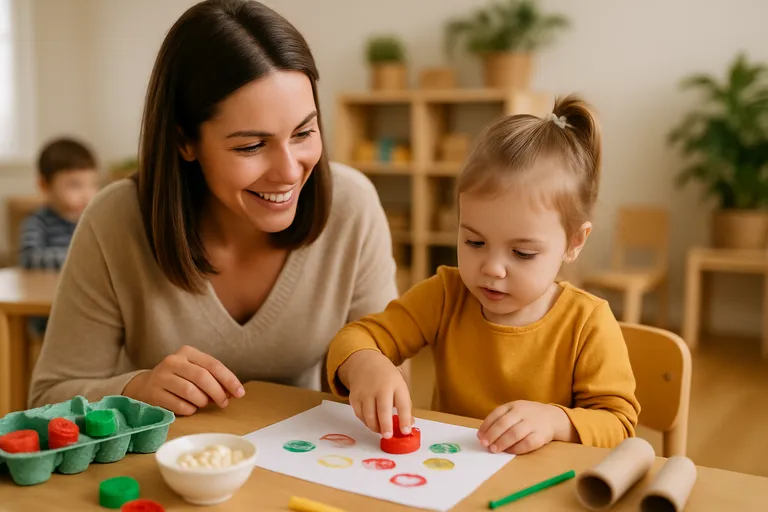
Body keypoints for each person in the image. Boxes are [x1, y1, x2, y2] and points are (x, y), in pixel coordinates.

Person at [28, 0, 398, 415]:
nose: (289, 171)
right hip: (163, 454)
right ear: (184, 141)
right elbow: (48, 397)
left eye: (303, 133)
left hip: (301, 452)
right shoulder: (115, 220)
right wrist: (136, 389)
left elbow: (385, 365)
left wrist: (372, 367)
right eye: (251, 145)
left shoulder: (352, 206)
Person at [325, 95, 641, 455]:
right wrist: (365, 363)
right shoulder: (446, 294)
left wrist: (555, 421)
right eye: (474, 242)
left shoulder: (587, 322)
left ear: (574, 242)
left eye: (522, 253)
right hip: (449, 474)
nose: (492, 268)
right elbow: (353, 338)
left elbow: (619, 425)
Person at [18, 137, 100, 334]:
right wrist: (80, 257)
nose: (86, 194)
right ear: (44, 185)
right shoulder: (37, 222)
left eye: (92, 184)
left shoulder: (93, 222)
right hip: (48, 311)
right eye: (75, 185)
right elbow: (29, 257)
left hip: (86, 304)